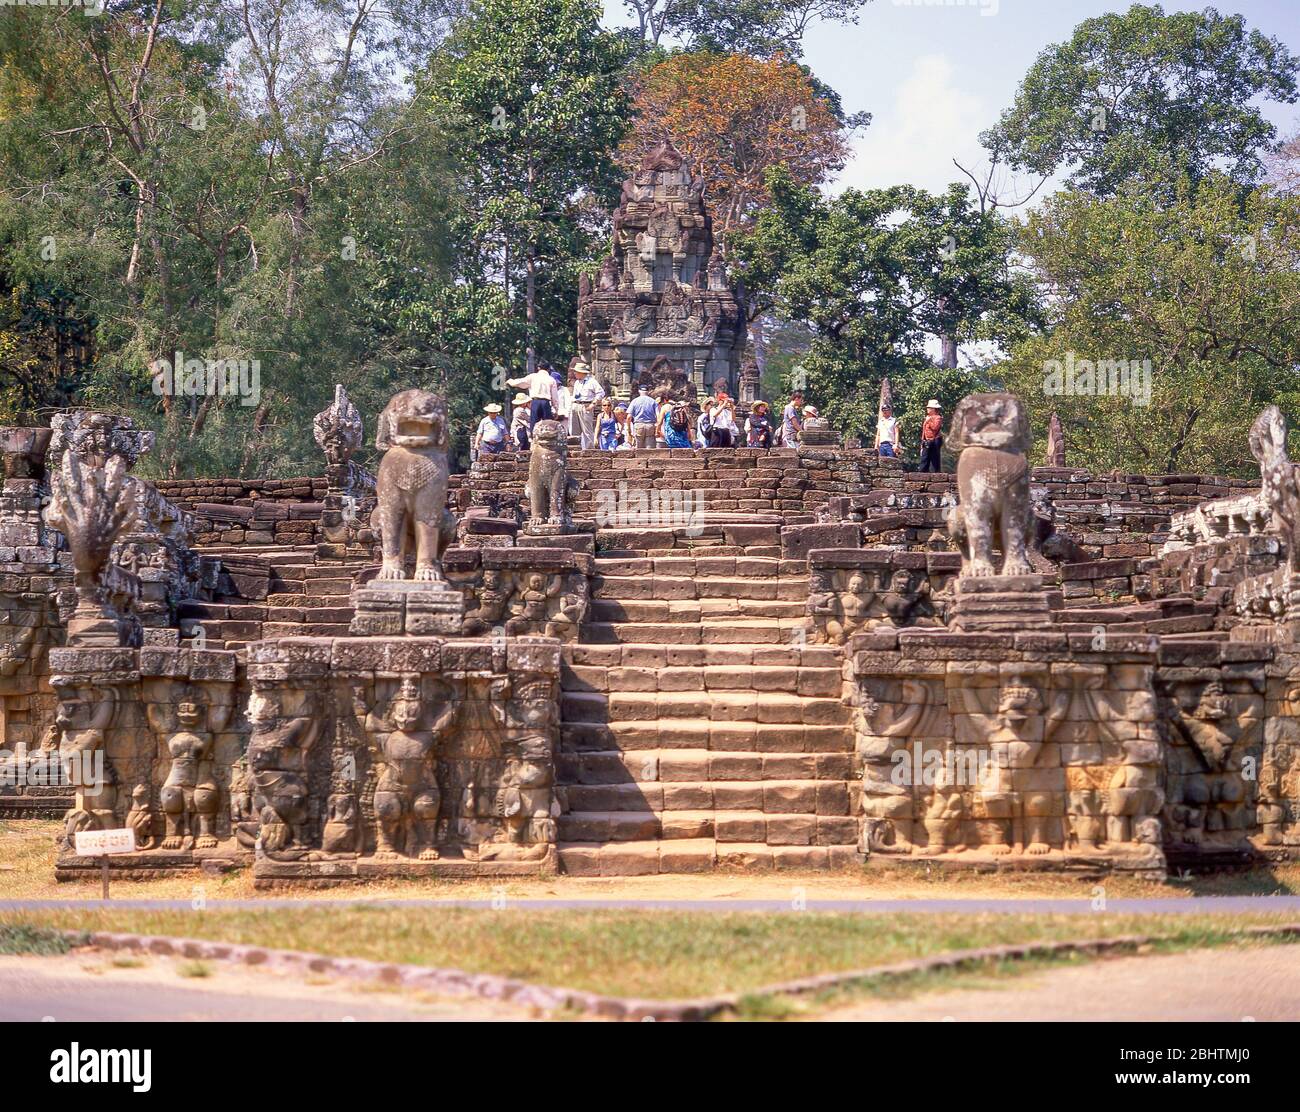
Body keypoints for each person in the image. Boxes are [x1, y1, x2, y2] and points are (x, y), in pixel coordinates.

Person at [506, 364, 559, 429]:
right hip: (546, 402)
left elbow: (520, 382)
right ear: (548, 369)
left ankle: (533, 437)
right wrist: (556, 409)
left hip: (535, 402)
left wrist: (510, 381)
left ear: (538, 368)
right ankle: (548, 438)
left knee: (534, 424)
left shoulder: (532, 377)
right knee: (548, 424)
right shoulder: (551, 379)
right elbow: (554, 397)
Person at [571, 362, 605, 449]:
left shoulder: (592, 382)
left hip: (586, 405)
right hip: (576, 405)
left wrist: (593, 404)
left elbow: (601, 393)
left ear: (582, 372)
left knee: (587, 430)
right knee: (574, 429)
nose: (575, 373)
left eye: (576, 372)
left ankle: (589, 450)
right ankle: (576, 448)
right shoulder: (577, 383)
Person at [627, 383, 658, 448]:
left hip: (638, 425)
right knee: (650, 449)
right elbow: (658, 415)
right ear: (648, 391)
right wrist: (658, 428)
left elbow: (629, 417)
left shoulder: (634, 401)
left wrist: (629, 430)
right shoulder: (653, 401)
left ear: (639, 391)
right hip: (650, 425)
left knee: (638, 448)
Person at [919, 398, 944, 472]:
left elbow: (935, 428)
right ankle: (923, 472)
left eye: (929, 408)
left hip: (935, 440)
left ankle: (936, 473)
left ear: (933, 409)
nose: (927, 409)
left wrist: (928, 421)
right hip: (927, 440)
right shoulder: (928, 418)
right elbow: (924, 430)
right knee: (925, 457)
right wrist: (923, 440)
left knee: (934, 458)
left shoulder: (938, 418)